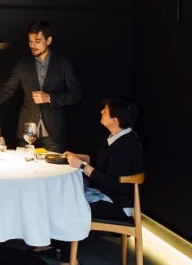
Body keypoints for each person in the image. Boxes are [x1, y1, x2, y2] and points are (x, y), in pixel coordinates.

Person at [51, 97, 145, 265]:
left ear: (115, 120)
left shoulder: (126, 146)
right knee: (61, 197)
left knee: (68, 207)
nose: (101, 112)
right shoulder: (117, 137)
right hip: (109, 195)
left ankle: (68, 261)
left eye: (106, 111)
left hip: (118, 204)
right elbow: (103, 163)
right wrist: (80, 157)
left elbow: (111, 182)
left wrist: (81, 165)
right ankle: (57, 248)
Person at [0, 20, 82, 152]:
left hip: (54, 135)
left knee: (53, 171)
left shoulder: (63, 64)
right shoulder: (22, 65)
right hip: (26, 133)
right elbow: (7, 90)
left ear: (49, 40)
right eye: (30, 41)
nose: (33, 45)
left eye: (37, 41)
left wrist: (50, 97)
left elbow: (76, 94)